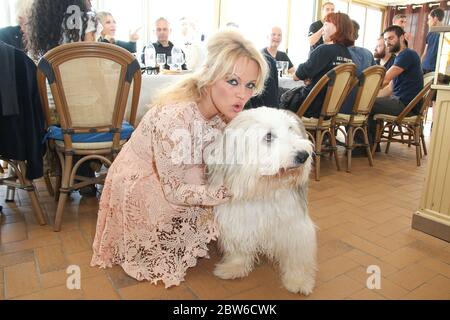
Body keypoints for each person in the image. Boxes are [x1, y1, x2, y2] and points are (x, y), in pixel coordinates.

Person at [91, 29, 268, 288]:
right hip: (141, 182)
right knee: (221, 190)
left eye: (250, 85)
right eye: (233, 81)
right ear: (209, 76)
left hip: (179, 173)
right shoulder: (176, 119)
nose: (243, 95)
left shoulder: (221, 115)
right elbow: (173, 191)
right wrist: (231, 192)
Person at [26, 0, 100, 196]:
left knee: (70, 114)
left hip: (49, 113)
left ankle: (73, 170)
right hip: (81, 113)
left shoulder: (40, 23)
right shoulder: (86, 20)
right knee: (104, 107)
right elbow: (94, 64)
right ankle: (87, 171)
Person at [285, 12, 353, 117]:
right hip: (329, 110)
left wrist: (301, 75)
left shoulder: (324, 49)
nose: (322, 30)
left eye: (325, 25)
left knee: (276, 92)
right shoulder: (348, 55)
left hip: (310, 106)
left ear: (337, 27)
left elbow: (298, 75)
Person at [368, 25, 423, 146]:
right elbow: (389, 88)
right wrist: (370, 95)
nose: (388, 42)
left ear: (402, 37)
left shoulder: (407, 54)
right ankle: (371, 145)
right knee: (367, 101)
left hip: (406, 106)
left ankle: (367, 145)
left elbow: (385, 79)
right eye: (386, 39)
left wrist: (365, 90)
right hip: (400, 102)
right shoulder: (400, 58)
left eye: (391, 38)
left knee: (366, 104)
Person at [26, 0, 98, 59]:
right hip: (80, 72)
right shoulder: (86, 20)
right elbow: (90, 54)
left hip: (49, 74)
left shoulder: (42, 22)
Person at [340, 20, 376, 114]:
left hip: (340, 106)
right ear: (357, 36)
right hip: (365, 106)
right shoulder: (368, 53)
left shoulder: (340, 53)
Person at [421, 8, 445, 74]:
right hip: (424, 67)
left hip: (436, 69)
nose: (427, 22)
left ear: (435, 18)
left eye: (429, 19)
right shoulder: (430, 33)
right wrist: (419, 66)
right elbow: (425, 52)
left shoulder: (446, 34)